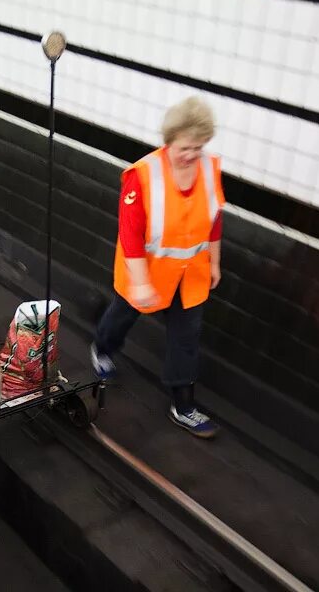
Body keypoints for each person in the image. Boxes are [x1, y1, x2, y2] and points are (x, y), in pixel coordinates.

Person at [91, 97, 224, 439]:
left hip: (190, 275)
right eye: (184, 147)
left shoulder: (209, 169)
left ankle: (183, 405)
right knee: (123, 315)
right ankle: (102, 348)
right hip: (147, 272)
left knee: (186, 338)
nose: (191, 155)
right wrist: (141, 284)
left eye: (198, 147)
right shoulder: (143, 175)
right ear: (169, 141)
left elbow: (214, 219)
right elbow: (131, 236)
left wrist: (214, 261)